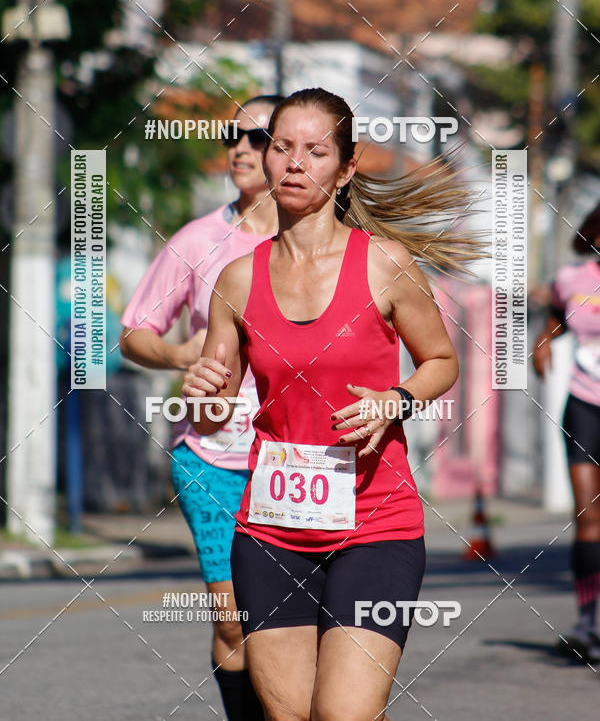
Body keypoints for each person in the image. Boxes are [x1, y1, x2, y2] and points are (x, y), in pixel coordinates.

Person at [182, 88, 484, 720]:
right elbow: (216, 413)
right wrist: (203, 395)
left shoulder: (385, 265)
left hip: (375, 527)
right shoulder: (237, 279)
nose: (294, 162)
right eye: (281, 147)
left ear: (345, 169)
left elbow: (442, 362)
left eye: (315, 151)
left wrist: (394, 402)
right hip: (272, 531)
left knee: (343, 716)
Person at [120, 94, 283, 721]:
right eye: (231, 135)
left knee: (295, 624)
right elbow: (134, 332)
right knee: (235, 622)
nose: (239, 148)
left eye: (256, 136)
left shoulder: (331, 242)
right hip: (213, 458)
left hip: (302, 460)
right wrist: (179, 353)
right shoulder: (198, 239)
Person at [533, 201, 600, 663]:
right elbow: (557, 314)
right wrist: (542, 341)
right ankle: (588, 622)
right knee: (588, 516)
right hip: (584, 405)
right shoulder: (572, 279)